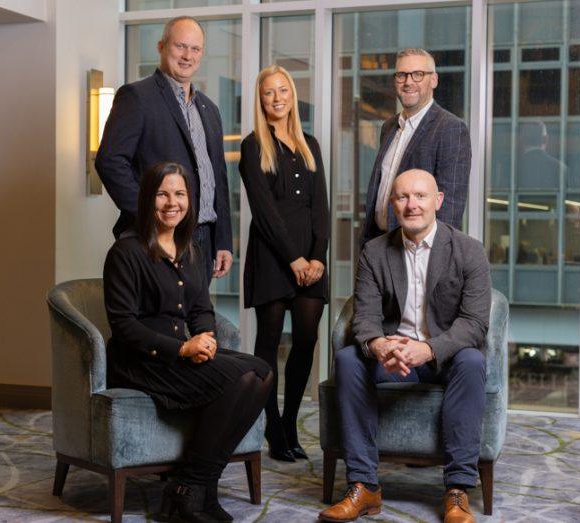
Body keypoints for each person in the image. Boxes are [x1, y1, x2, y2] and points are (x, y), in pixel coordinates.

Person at [103, 162, 273, 523]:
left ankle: (193, 487)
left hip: (184, 352)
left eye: (179, 194)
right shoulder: (126, 251)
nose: (171, 202)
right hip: (143, 361)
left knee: (263, 372)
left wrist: (206, 338)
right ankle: (192, 490)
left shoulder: (192, 248)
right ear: (148, 198)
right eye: (163, 193)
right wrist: (181, 349)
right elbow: (123, 326)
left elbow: (201, 309)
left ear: (189, 200)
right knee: (244, 378)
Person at [319, 169, 491, 523]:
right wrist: (381, 345)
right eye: (402, 197)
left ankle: (457, 490)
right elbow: (363, 316)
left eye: (420, 196)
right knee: (349, 358)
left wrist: (427, 350)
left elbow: (474, 324)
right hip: (394, 357)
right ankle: (364, 485)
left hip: (443, 358)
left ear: (438, 201)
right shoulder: (375, 252)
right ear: (392, 204)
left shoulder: (469, 251)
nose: (412, 205)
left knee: (472, 361)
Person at [96, 16, 233, 286]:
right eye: (180, 46)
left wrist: (223, 240)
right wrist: (151, 219)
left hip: (203, 241)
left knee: (196, 322)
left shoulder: (209, 109)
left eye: (195, 49)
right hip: (157, 237)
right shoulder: (136, 97)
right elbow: (110, 162)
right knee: (161, 324)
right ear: (161, 46)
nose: (187, 56)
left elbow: (217, 177)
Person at [239, 65, 329, 462]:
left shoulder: (309, 143)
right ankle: (271, 424)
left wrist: (317, 257)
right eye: (268, 93)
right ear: (260, 101)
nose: (276, 98)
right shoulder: (252, 146)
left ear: (292, 95)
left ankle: (290, 421)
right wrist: (292, 258)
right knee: (268, 342)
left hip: (310, 260)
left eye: (282, 91)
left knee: (307, 339)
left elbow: (320, 207)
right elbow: (263, 212)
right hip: (273, 257)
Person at [360, 48, 471, 247]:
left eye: (418, 74)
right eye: (402, 75)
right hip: (378, 244)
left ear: (434, 80)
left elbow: (450, 208)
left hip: (416, 251)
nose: (408, 82)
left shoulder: (450, 128)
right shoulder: (389, 127)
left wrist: (433, 260)